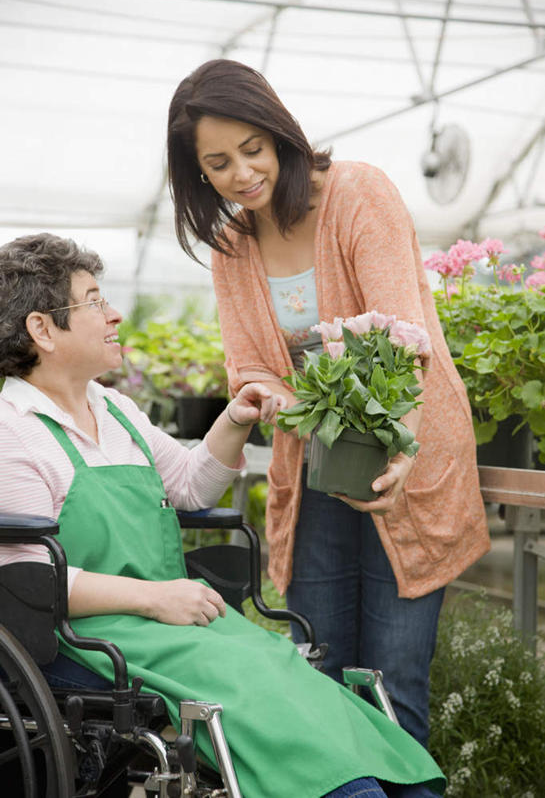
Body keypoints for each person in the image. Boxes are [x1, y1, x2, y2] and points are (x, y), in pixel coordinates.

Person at [0, 233, 446, 798]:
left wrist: (236, 419)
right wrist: (156, 597)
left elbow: (189, 486)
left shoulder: (114, 409)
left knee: (281, 667)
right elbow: (29, 581)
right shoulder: (12, 431)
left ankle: (393, 783)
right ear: (42, 329)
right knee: (255, 685)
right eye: (92, 301)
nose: (113, 314)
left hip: (170, 619)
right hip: (87, 636)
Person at [166, 59, 490, 756]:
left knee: (392, 679)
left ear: (280, 132)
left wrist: (398, 448)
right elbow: (248, 364)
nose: (241, 174)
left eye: (252, 148)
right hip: (315, 469)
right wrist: (274, 397)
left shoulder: (356, 194)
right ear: (197, 173)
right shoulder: (232, 245)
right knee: (318, 666)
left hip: (410, 461)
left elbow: (402, 336)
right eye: (217, 163)